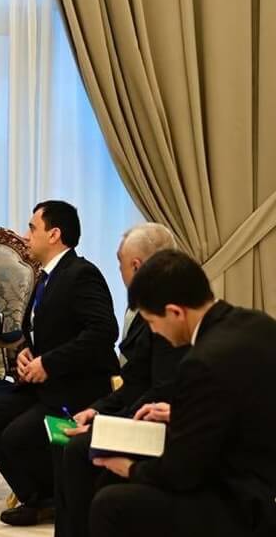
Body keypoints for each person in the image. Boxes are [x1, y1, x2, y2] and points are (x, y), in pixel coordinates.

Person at [88, 250, 276, 537]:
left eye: (152, 323)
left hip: (242, 501)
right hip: (263, 478)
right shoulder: (258, 323)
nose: (155, 333)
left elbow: (181, 472)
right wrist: (182, 414)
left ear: (175, 312)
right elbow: (244, 404)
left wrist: (130, 469)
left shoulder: (201, 361)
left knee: (110, 501)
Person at [0, 200, 118, 526]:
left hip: (75, 388)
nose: (26, 236)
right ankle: (40, 497)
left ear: (54, 234)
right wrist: (27, 351)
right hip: (42, 386)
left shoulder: (82, 274)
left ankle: (53, 497)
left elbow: (104, 331)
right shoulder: (45, 278)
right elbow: (40, 330)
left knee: (17, 436)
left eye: (32, 228)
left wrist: (48, 363)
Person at [55, 223, 188, 536]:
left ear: (137, 266)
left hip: (157, 424)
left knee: (77, 448)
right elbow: (133, 383)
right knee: (67, 439)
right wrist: (97, 410)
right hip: (134, 410)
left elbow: (161, 391)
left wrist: (106, 425)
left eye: (120, 263)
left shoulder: (168, 316)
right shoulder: (144, 309)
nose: (119, 271)